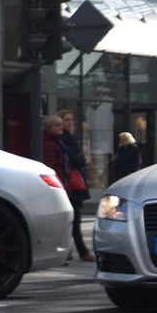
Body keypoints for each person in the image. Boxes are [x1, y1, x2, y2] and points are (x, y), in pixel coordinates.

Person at [58, 109, 94, 262]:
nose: (70, 122)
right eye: (67, 120)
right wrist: (79, 158)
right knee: (73, 219)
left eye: (71, 119)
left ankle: (69, 251)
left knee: (75, 219)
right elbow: (76, 159)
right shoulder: (62, 140)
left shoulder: (70, 139)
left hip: (75, 184)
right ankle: (81, 251)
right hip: (69, 184)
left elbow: (79, 159)